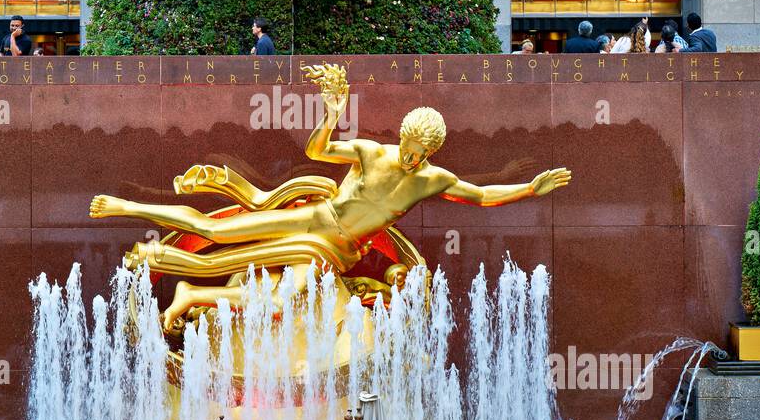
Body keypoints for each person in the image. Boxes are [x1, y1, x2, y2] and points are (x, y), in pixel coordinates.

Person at [89, 63, 571, 328]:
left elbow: (483, 195)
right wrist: (332, 110)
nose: (407, 156)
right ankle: (126, 208)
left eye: (417, 152)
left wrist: (530, 188)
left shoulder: (433, 180)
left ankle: (191, 294)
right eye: (405, 146)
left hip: (336, 251)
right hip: (315, 220)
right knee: (214, 230)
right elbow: (317, 149)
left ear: (431, 152)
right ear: (401, 138)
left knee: (276, 300)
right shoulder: (371, 151)